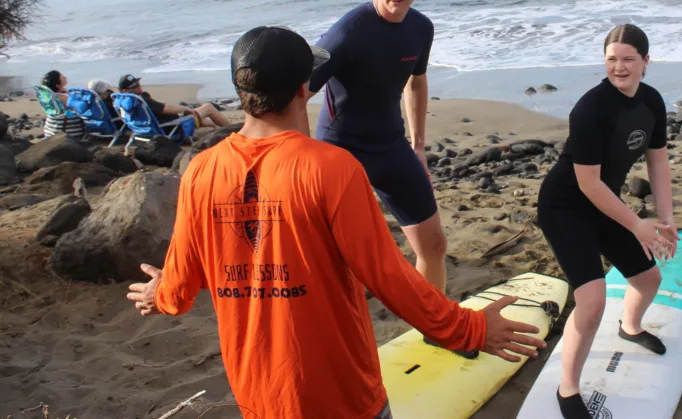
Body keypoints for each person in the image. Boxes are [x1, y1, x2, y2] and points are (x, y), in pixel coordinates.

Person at [125, 26, 545, 419]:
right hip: (341, 396)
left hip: (257, 394)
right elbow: (387, 276)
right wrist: (466, 328)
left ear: (240, 89)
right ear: (303, 89)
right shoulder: (330, 169)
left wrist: (157, 293)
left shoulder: (202, 170)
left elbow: (181, 286)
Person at [535, 23, 679, 419]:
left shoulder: (651, 101)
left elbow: (658, 160)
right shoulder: (590, 108)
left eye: (628, 59)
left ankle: (630, 327)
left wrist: (665, 219)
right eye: (612, 59)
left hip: (606, 205)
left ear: (646, 62)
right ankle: (567, 389)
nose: (619, 67)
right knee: (592, 300)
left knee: (649, 279)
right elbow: (587, 183)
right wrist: (638, 225)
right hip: (566, 207)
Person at [309, 0, 447, 293]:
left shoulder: (421, 28)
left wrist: (418, 147)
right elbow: (297, 90)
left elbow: (415, 82)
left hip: (389, 145)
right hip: (340, 151)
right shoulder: (348, 31)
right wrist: (296, 152)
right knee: (339, 259)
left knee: (434, 246)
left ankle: (437, 329)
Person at [117, 74, 229, 128]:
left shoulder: (122, 102)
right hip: (171, 126)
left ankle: (218, 127)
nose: (139, 87)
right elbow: (166, 109)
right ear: (126, 90)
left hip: (151, 127)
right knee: (208, 107)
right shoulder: (141, 100)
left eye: (138, 84)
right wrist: (186, 108)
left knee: (198, 116)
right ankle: (233, 130)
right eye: (135, 86)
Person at [39, 69, 86, 139]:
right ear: (57, 85)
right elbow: (80, 107)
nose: (66, 78)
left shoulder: (50, 96)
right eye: (63, 78)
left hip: (50, 130)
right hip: (67, 130)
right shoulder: (62, 98)